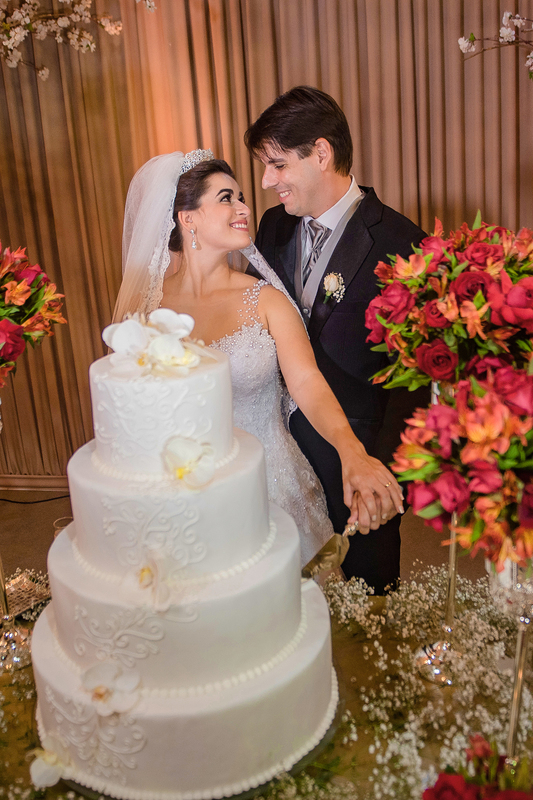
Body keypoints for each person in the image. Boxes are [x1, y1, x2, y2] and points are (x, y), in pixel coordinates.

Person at [112, 151, 403, 564]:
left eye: (242, 197)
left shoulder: (266, 300)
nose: (244, 208)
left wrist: (351, 451)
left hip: (270, 485)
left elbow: (307, 384)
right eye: (226, 198)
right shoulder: (147, 305)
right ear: (187, 218)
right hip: (180, 489)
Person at [246, 86, 428, 594]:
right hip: (278, 457)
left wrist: (389, 480)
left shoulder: (402, 244)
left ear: (321, 154)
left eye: (278, 165)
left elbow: (415, 380)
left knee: (366, 617)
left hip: (358, 466)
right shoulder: (272, 228)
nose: (267, 181)